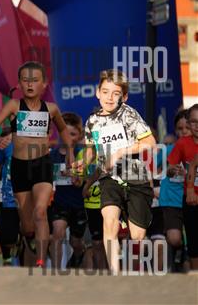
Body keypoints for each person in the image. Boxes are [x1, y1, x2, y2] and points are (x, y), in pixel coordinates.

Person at [0, 61, 67, 267]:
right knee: (28, 226)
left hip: (42, 165)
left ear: (44, 84)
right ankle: (28, 239)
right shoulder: (14, 106)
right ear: (20, 84)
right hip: (19, 167)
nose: (30, 84)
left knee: (40, 212)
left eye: (35, 80)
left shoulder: (51, 109)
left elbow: (63, 130)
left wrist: (71, 153)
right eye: (25, 80)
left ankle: (41, 261)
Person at [76, 69, 156, 275]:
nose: (110, 98)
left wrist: (121, 152)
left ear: (124, 97)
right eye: (105, 92)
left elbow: (150, 143)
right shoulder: (92, 121)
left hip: (135, 177)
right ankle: (115, 274)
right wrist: (81, 164)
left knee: (137, 236)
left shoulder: (128, 114)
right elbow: (92, 152)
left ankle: (138, 271)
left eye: (116, 93)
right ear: (98, 93)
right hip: (109, 179)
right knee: (109, 221)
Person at [150, 110, 188, 272]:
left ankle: (182, 259)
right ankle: (179, 252)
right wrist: (152, 186)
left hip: (191, 199)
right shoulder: (168, 149)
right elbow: (149, 166)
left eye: (187, 127)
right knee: (174, 238)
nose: (184, 131)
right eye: (180, 128)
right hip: (171, 201)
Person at [48, 112, 87, 269]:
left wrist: (73, 174)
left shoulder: (83, 154)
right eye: (66, 133)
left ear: (79, 135)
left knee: (75, 242)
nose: (69, 138)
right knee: (57, 233)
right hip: (60, 203)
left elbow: (82, 181)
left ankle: (79, 254)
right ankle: (56, 272)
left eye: (73, 134)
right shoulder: (52, 155)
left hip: (79, 204)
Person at [167, 103, 198, 270]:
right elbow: (169, 169)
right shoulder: (182, 144)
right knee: (194, 245)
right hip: (191, 201)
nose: (197, 126)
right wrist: (174, 170)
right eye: (193, 122)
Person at [0, 125, 19, 266]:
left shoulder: (34, 148)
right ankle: (7, 258)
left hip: (26, 200)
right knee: (8, 238)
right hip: (8, 199)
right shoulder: (7, 148)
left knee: (28, 231)